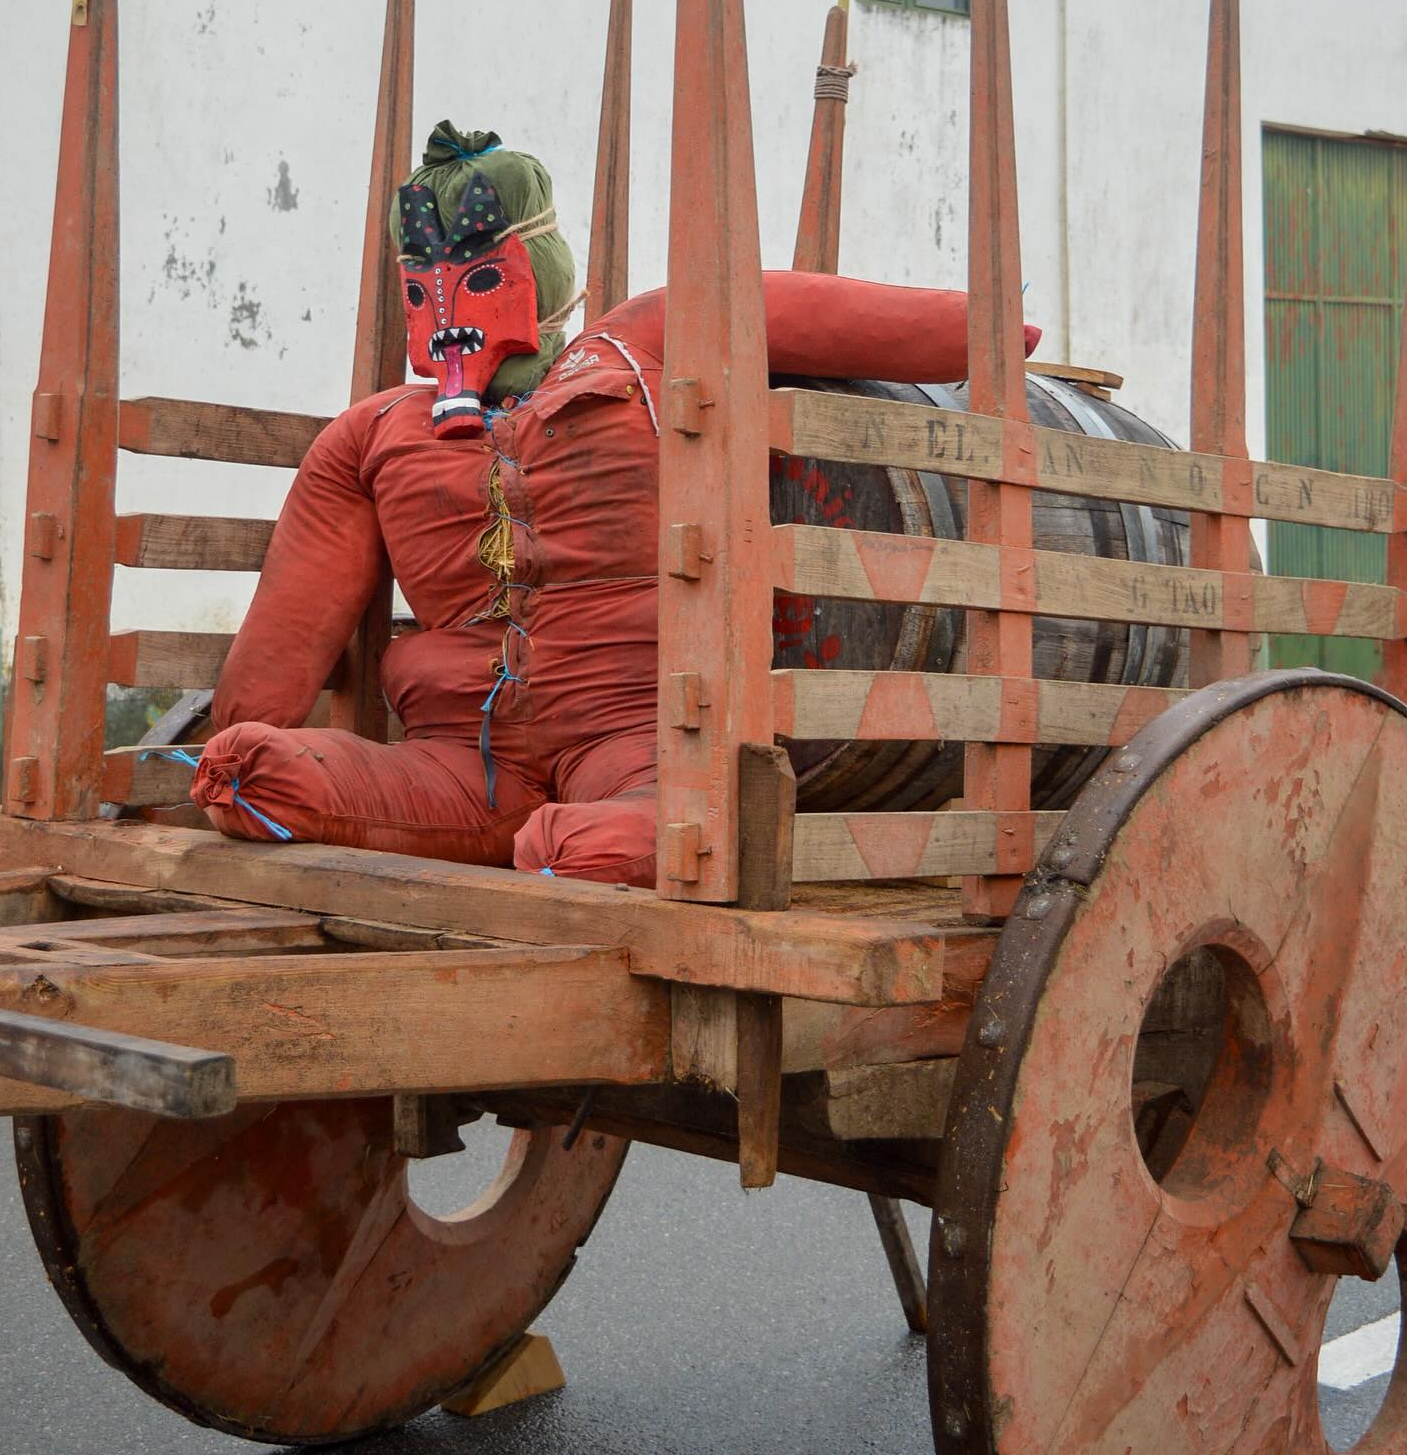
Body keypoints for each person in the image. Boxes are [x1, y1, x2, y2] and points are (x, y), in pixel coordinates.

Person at [192, 122, 1039, 886]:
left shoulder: (637, 350)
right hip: (463, 756)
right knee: (257, 772)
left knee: (626, 828)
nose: (446, 314)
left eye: (482, 275)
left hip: (634, 735)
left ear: (539, 267)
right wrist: (237, 736)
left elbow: (810, 312)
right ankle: (539, 835)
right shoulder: (374, 434)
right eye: (421, 289)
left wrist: (990, 331)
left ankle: (587, 839)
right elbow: (291, 624)